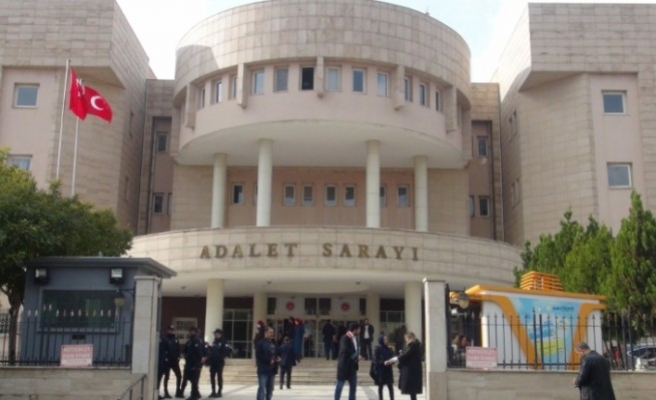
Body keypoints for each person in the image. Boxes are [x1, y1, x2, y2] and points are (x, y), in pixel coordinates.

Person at [385, 332, 422, 400]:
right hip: (413, 371)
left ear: (411, 338)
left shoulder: (413, 345)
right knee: (412, 392)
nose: (406, 340)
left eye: (407, 339)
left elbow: (406, 355)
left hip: (412, 371)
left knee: (412, 391)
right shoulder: (413, 346)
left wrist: (394, 359)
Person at [334, 322, 363, 400]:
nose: (360, 331)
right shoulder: (345, 338)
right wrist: (356, 356)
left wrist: (357, 356)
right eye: (359, 329)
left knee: (353, 388)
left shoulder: (355, 339)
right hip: (344, 366)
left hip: (352, 367)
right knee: (340, 386)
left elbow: (355, 350)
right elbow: (346, 350)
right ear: (355, 329)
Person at [180, 327, 204, 400]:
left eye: (192, 331)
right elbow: (185, 351)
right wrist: (185, 356)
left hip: (194, 363)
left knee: (194, 380)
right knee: (188, 378)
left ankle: (194, 395)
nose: (190, 333)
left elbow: (199, 352)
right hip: (189, 363)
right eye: (190, 331)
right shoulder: (189, 341)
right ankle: (195, 393)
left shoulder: (197, 341)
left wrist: (199, 362)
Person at [158, 325, 182, 399]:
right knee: (166, 376)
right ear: (167, 330)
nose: (171, 331)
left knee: (179, 376)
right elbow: (162, 350)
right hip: (167, 362)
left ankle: (178, 391)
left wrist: (178, 357)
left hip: (174, 361)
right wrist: (165, 358)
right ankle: (166, 392)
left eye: (172, 330)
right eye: (170, 330)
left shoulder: (176, 339)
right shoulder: (164, 339)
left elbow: (178, 349)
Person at [256, 326, 279, 400]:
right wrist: (269, 360)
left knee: (270, 390)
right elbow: (259, 356)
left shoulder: (274, 344)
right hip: (263, 370)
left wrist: (277, 359)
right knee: (262, 389)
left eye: (273, 332)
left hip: (272, 371)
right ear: (266, 333)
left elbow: (276, 354)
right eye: (270, 332)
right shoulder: (260, 343)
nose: (272, 334)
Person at [208, 329, 231, 398]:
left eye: (216, 334)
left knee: (219, 376)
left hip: (219, 362)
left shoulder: (223, 342)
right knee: (212, 376)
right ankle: (213, 391)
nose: (215, 335)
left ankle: (219, 391)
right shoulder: (214, 341)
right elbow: (212, 350)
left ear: (220, 334)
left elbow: (225, 351)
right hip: (213, 362)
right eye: (214, 334)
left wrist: (219, 356)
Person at [373, 334, 395, 400]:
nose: (386, 340)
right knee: (381, 386)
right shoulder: (377, 348)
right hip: (381, 370)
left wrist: (392, 361)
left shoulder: (388, 348)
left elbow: (392, 356)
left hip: (388, 370)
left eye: (387, 339)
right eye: (385, 339)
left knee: (390, 386)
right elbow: (375, 359)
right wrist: (383, 362)